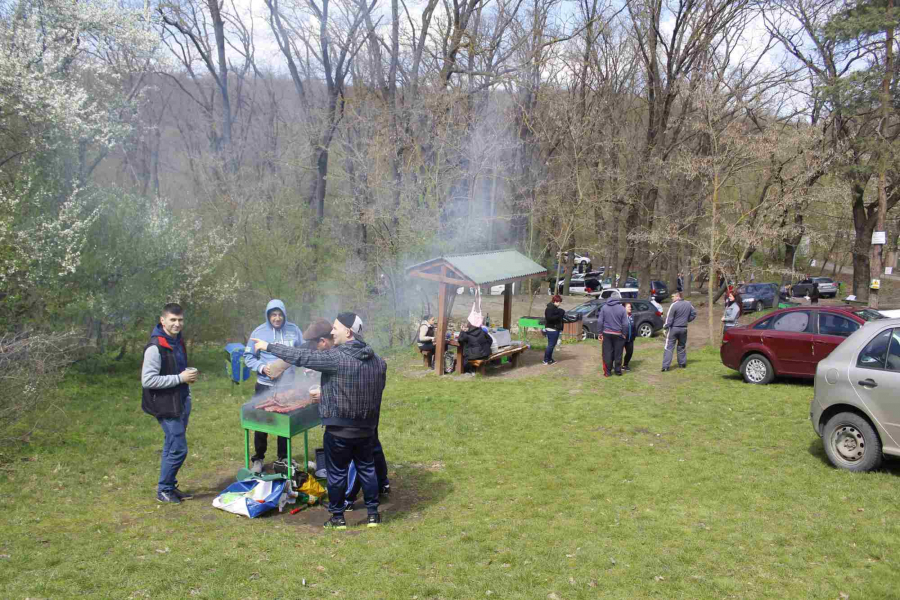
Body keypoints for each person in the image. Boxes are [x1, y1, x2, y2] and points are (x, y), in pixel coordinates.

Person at [251, 312, 387, 529]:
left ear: (348, 331)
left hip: (339, 429)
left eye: (335, 328)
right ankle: (373, 515)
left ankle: (337, 518)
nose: (332, 332)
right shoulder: (378, 361)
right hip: (367, 428)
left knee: (337, 474)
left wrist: (269, 347)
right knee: (366, 469)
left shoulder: (336, 358)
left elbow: (301, 357)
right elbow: (372, 392)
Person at [141, 303, 198, 504]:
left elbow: (177, 371)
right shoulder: (155, 347)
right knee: (179, 448)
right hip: (165, 405)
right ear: (162, 320)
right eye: (172, 320)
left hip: (180, 401)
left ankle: (168, 486)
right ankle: (163, 490)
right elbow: (148, 380)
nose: (177, 324)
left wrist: (186, 384)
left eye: (180, 320)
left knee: (171, 444)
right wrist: (180, 378)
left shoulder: (177, 341)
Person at [243, 300, 304, 475]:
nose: (277, 318)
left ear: (284, 315)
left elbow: (303, 352)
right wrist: (262, 368)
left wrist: (306, 368)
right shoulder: (259, 332)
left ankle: (284, 456)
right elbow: (249, 357)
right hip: (265, 385)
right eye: (273, 315)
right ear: (268, 315)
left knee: (284, 423)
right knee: (262, 421)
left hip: (287, 386)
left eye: (280, 315)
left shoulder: (294, 330)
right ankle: (258, 458)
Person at [661, 291, 697, 372]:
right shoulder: (688, 304)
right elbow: (694, 313)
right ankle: (682, 364)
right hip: (684, 329)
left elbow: (669, 319)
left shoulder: (674, 305)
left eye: (673, 296)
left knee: (669, 347)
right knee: (681, 346)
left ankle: (665, 367)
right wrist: (687, 320)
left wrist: (665, 327)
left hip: (674, 329)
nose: (672, 298)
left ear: (678, 297)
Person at [597, 298, 627, 377]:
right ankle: (618, 371)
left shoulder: (604, 307)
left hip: (606, 334)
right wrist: (624, 334)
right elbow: (625, 324)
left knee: (607, 353)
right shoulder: (622, 308)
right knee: (618, 353)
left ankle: (608, 372)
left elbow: (600, 321)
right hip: (618, 334)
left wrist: (600, 333)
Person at [543, 294, 565, 365]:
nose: (559, 304)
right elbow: (549, 318)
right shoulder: (550, 308)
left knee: (551, 345)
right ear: (555, 301)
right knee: (551, 345)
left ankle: (549, 359)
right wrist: (559, 315)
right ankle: (546, 360)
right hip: (552, 329)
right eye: (559, 302)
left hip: (554, 328)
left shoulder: (553, 308)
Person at [622, 302, 636, 372]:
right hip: (622, 338)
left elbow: (634, 326)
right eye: (628, 307)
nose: (630, 308)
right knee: (618, 353)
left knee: (630, 352)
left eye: (630, 307)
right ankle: (616, 365)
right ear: (624, 308)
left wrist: (634, 336)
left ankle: (625, 365)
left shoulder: (632, 316)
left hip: (630, 339)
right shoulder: (621, 316)